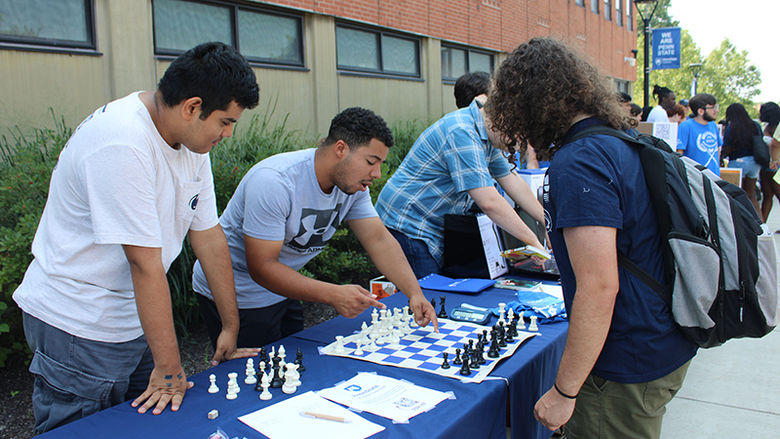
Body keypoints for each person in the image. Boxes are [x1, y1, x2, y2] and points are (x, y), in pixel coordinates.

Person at [12, 42, 260, 433]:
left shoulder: (193, 143)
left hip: (133, 319)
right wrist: (170, 367)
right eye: (226, 122)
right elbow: (143, 262)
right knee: (83, 431)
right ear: (192, 107)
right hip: (80, 324)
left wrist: (230, 326)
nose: (227, 134)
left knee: (146, 424)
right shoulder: (122, 142)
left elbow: (209, 238)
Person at [486, 37, 696, 438]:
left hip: (626, 359)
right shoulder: (621, 142)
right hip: (662, 339)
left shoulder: (580, 161)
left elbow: (599, 286)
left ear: (527, 102)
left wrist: (564, 391)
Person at [192, 107, 438, 349]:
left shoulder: (353, 186)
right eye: (371, 162)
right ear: (340, 149)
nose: (377, 174)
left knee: (295, 365)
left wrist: (414, 293)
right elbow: (261, 267)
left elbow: (379, 240)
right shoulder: (274, 182)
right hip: (236, 295)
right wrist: (333, 294)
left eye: (381, 164)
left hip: (283, 288)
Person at [374, 98, 546, 279]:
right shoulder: (462, 131)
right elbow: (489, 201)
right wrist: (531, 240)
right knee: (428, 296)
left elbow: (512, 179)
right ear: (502, 120)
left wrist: (547, 222)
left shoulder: (488, 133)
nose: (515, 146)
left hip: (431, 224)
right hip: (407, 224)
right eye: (515, 138)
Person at [722, 103, 763, 216]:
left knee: (735, 195)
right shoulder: (755, 125)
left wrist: (721, 157)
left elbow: (727, 146)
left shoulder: (732, 126)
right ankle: (761, 225)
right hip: (754, 162)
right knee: (751, 195)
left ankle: (740, 224)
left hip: (738, 162)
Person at [676, 93, 723, 175]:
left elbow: (717, 149)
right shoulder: (686, 126)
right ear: (701, 111)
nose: (717, 110)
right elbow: (679, 153)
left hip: (714, 176)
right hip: (695, 177)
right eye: (713, 108)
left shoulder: (713, 125)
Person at [759, 102, 780, 221]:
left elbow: (775, 145)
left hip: (774, 165)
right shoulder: (767, 126)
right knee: (767, 196)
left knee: (774, 195)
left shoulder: (775, 127)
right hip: (766, 164)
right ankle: (762, 225)